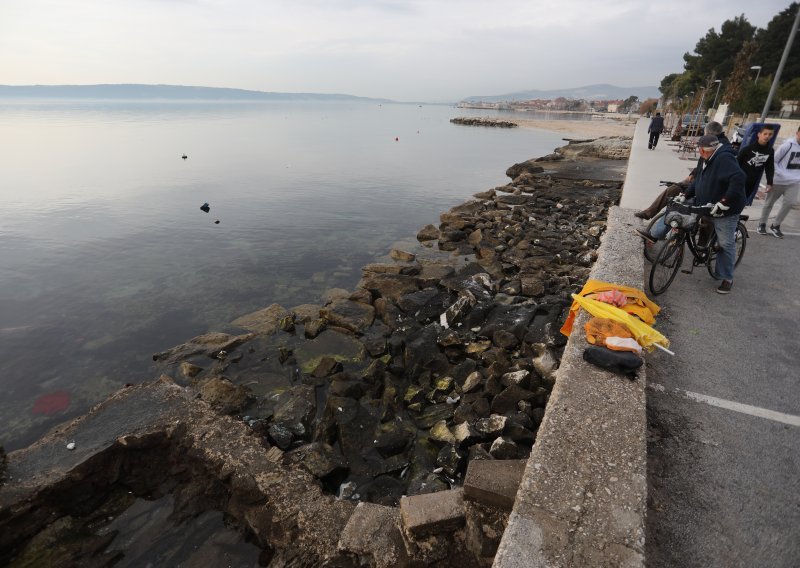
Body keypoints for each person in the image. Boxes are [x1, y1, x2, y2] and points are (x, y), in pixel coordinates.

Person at [636, 134, 746, 294]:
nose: (699, 153)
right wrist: (686, 194)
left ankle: (727, 277)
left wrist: (724, 201)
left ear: (703, 150)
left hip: (725, 209)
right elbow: (698, 181)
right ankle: (656, 235)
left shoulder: (724, 159)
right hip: (705, 203)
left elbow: (739, 179)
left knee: (725, 243)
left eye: (700, 150)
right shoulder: (706, 158)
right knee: (679, 213)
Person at [634, 121, 730, 220]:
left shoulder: (717, 145)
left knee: (674, 191)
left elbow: (710, 167)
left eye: (704, 133)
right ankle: (651, 215)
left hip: (706, 184)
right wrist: (692, 174)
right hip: (699, 178)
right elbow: (703, 163)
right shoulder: (719, 142)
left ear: (709, 133)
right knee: (673, 190)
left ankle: (653, 218)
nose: (703, 135)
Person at [758, 125, 800, 238]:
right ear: (797, 133)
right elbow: (773, 161)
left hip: (794, 182)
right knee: (769, 203)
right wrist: (780, 173)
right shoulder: (788, 145)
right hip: (779, 180)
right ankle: (762, 223)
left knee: (789, 203)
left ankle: (775, 225)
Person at [737, 126, 775, 206]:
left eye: (770, 134)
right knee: (734, 202)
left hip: (753, 182)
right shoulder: (747, 149)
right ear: (759, 134)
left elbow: (769, 167)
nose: (767, 136)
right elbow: (736, 165)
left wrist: (769, 182)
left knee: (743, 203)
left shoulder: (770, 151)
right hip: (740, 181)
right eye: (765, 134)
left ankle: (736, 217)